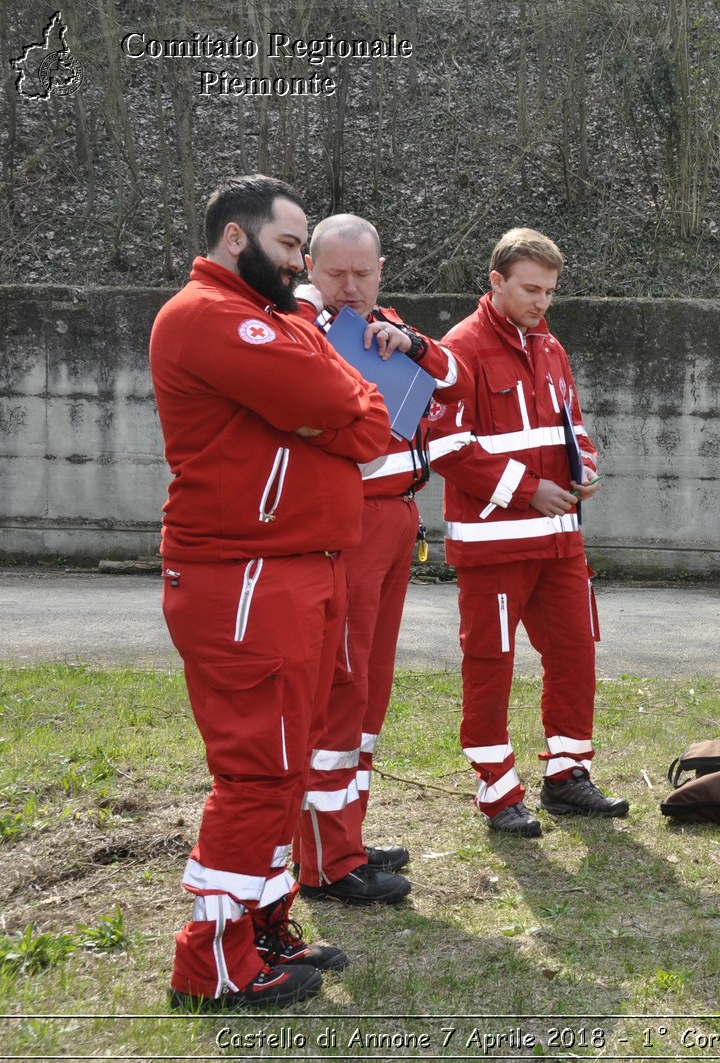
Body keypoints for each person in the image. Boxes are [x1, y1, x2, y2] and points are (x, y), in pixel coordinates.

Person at [150, 175, 390, 1009]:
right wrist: (337, 408)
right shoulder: (210, 316)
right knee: (258, 772)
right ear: (234, 240)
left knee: (285, 769)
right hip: (245, 575)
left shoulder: (278, 318)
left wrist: (336, 408)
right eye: (291, 247)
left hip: (296, 566)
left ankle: (261, 925)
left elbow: (367, 416)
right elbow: (343, 404)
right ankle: (211, 958)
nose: (302, 266)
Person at [288, 214, 471, 905]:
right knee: (341, 684)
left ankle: (347, 837)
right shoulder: (303, 320)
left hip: (397, 519)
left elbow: (455, 379)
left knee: (369, 687)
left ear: (382, 269)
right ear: (310, 266)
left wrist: (414, 341)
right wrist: (314, 305)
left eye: (363, 273)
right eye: (335, 272)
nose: (349, 287)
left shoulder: (384, 323)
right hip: (347, 523)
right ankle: (327, 861)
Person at [426, 227, 628, 836]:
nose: (542, 302)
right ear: (496, 282)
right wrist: (526, 488)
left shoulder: (551, 348)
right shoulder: (457, 349)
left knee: (574, 654)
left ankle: (567, 775)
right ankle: (496, 789)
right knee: (490, 661)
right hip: (494, 545)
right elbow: (443, 444)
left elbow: (572, 425)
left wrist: (583, 467)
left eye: (550, 291)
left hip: (560, 539)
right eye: (530, 289)